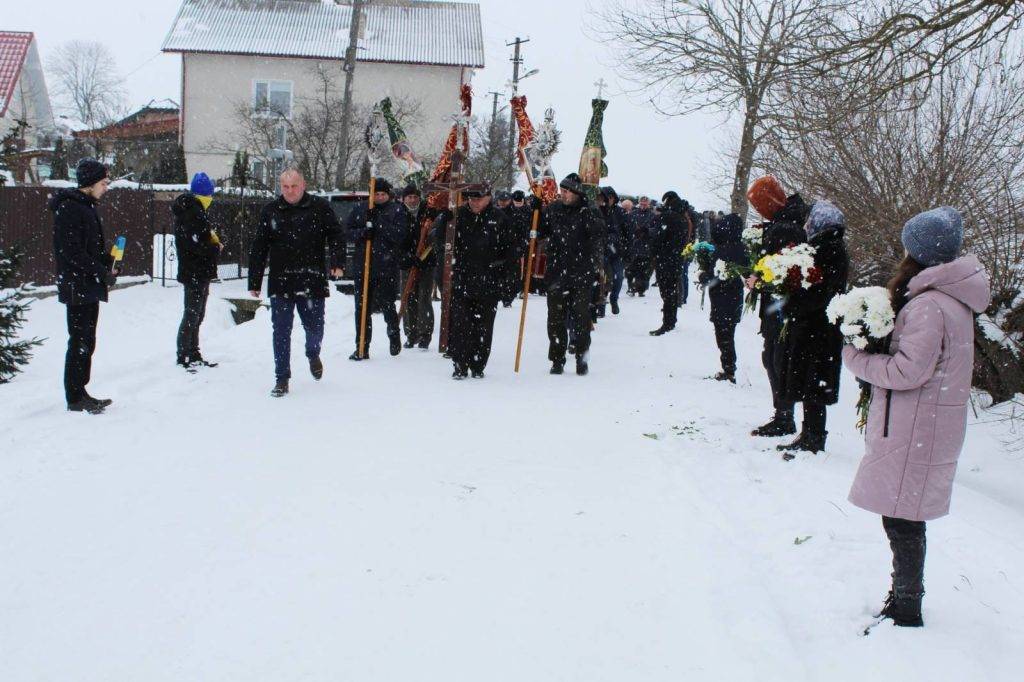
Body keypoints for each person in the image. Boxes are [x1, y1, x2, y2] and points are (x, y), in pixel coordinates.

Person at [844, 207, 989, 628]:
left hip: (915, 425)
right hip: (924, 423)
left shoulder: (929, 305)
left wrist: (856, 358)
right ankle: (904, 598)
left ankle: (907, 606)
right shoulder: (950, 300)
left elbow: (909, 371)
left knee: (903, 518)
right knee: (904, 514)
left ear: (918, 252)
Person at [248, 168, 345, 397]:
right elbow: (259, 246)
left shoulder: (319, 208)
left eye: (294, 186)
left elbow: (336, 235)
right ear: (280, 187)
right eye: (285, 187)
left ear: (303, 185)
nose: (289, 191)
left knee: (315, 328)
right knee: (281, 331)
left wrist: (337, 263)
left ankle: (312, 354)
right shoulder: (271, 210)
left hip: (312, 279)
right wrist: (254, 281)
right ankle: (282, 378)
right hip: (281, 281)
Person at [774, 200, 849, 453]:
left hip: (817, 328)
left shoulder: (828, 249)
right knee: (811, 382)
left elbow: (820, 291)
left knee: (814, 382)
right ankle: (809, 433)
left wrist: (793, 301)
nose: (807, 225)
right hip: (816, 327)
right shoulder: (828, 246)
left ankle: (814, 437)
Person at [50, 158, 117, 414]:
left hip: (87, 284)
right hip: (77, 285)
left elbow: (89, 248)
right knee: (79, 340)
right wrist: (100, 271)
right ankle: (75, 397)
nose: (106, 187)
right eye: (103, 182)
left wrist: (107, 264)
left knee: (87, 340)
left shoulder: (86, 206)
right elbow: (72, 252)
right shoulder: (70, 208)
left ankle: (81, 391)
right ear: (90, 183)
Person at [746, 176, 809, 436]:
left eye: (759, 204)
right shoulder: (787, 221)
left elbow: (781, 270)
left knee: (777, 358)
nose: (759, 211)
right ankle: (783, 413)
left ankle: (784, 417)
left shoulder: (784, 228)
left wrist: (759, 280)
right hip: (781, 303)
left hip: (781, 304)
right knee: (773, 356)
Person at [438, 184, 522, 379]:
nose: (474, 202)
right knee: (460, 324)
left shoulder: (500, 219)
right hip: (462, 279)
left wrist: (505, 275)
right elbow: (440, 242)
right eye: (471, 199)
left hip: (489, 281)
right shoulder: (456, 216)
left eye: (478, 199)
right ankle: (460, 364)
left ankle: (478, 364)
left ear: (488, 198)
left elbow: (513, 250)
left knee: (483, 326)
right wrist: (444, 223)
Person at [343, 178, 415, 360]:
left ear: (388, 194)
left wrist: (379, 223)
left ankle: (393, 334)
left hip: (386, 266)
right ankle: (362, 346)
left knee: (387, 305)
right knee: (362, 308)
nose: (379, 197)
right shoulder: (361, 209)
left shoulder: (396, 210)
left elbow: (400, 235)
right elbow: (346, 232)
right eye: (376, 194)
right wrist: (362, 233)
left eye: (382, 194)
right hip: (363, 266)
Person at [539, 173, 603, 375]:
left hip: (581, 272)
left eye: (567, 191)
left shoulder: (588, 211)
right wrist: (534, 211)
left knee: (581, 317)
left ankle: (582, 356)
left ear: (576, 193)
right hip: (557, 272)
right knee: (555, 319)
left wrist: (591, 217)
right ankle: (557, 359)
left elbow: (599, 234)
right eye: (562, 191)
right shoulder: (553, 210)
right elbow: (540, 232)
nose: (563, 194)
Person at [173, 172, 222, 370]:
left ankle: (192, 353)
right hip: (195, 271)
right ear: (205, 195)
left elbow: (196, 241)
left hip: (195, 271)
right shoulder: (193, 213)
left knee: (197, 313)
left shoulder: (192, 211)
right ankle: (185, 354)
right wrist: (215, 248)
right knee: (193, 314)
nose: (211, 199)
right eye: (210, 195)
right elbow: (196, 245)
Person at [698, 213, 746, 382]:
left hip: (723, 298)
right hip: (731, 298)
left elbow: (719, 276)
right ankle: (728, 367)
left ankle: (729, 369)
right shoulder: (739, 247)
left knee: (724, 336)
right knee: (726, 334)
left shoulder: (726, 248)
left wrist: (704, 276)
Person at [399, 185, 435, 349]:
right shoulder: (398, 213)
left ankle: (424, 334)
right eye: (409, 197)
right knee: (408, 298)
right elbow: (396, 239)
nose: (412, 200)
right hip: (407, 264)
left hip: (426, 263)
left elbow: (433, 239)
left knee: (423, 298)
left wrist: (422, 257)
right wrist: (407, 257)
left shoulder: (428, 212)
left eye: (415, 197)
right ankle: (410, 333)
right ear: (403, 198)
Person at [649, 191, 688, 335]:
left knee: (667, 293)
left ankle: (667, 323)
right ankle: (671, 320)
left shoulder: (668, 216)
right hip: (677, 258)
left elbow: (659, 237)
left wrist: (653, 251)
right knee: (671, 291)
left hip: (666, 259)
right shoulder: (684, 217)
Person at [597, 186, 627, 315]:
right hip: (601, 249)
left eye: (610, 197)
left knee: (618, 277)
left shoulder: (620, 213)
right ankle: (601, 305)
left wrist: (625, 248)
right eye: (606, 197)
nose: (608, 200)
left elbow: (626, 232)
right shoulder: (599, 210)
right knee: (601, 279)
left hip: (616, 250)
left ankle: (614, 298)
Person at [626, 195, 656, 296]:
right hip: (634, 246)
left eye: (645, 203)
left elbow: (656, 230)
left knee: (643, 271)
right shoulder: (633, 214)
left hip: (646, 247)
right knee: (630, 270)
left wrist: (647, 231)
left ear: (648, 204)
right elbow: (627, 227)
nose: (643, 205)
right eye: (642, 203)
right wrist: (633, 233)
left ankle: (640, 289)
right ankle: (631, 286)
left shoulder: (652, 216)